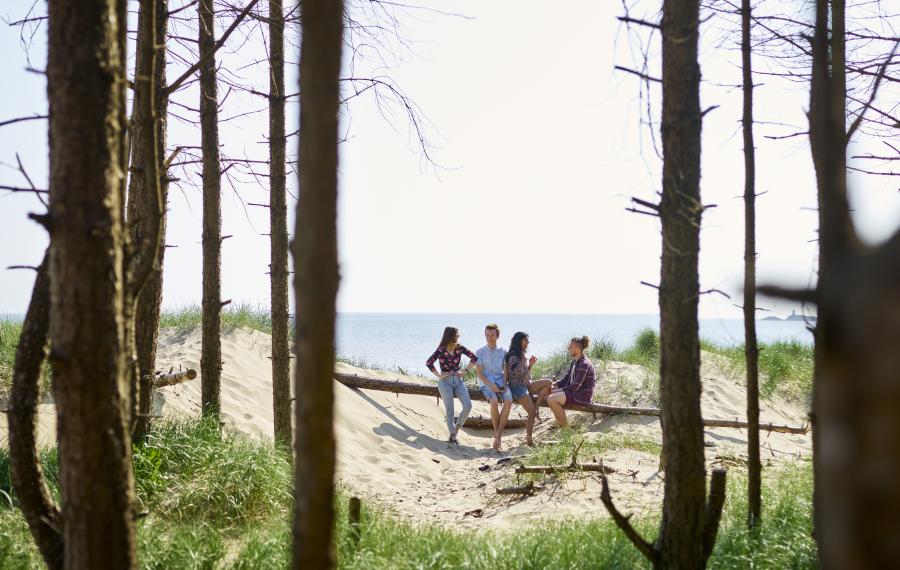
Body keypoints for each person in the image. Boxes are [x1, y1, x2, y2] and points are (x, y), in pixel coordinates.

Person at [425, 326, 477, 444]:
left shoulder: (460, 348)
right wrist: (439, 376)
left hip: (458, 381)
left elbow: (474, 358)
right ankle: (453, 436)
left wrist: (465, 371)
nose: (458, 336)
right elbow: (429, 362)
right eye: (456, 334)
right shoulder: (441, 349)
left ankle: (455, 431)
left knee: (468, 406)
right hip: (445, 382)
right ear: (450, 336)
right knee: (450, 412)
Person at [475, 323, 512, 451]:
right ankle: (497, 435)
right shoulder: (479, 352)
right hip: (485, 383)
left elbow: (505, 371)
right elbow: (479, 373)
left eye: (492, 335)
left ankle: (498, 434)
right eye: (487, 335)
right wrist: (491, 386)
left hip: (500, 381)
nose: (489, 338)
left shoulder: (503, 352)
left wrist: (504, 383)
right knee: (494, 401)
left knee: (509, 400)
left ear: (497, 336)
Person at [546, 336, 596, 427]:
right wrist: (551, 385)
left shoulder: (585, 364)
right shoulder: (575, 362)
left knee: (551, 399)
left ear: (576, 348)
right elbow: (565, 380)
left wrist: (557, 391)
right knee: (548, 393)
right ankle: (558, 422)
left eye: (570, 346)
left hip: (582, 395)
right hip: (574, 392)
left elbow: (575, 386)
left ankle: (565, 428)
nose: (568, 348)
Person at [505, 331, 542, 446]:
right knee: (531, 414)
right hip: (518, 387)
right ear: (519, 341)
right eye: (525, 340)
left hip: (525, 384)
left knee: (548, 383)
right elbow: (517, 375)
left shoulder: (521, 354)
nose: (528, 342)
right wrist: (530, 365)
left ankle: (537, 408)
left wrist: (530, 365)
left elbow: (525, 375)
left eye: (527, 340)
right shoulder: (513, 357)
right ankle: (529, 441)